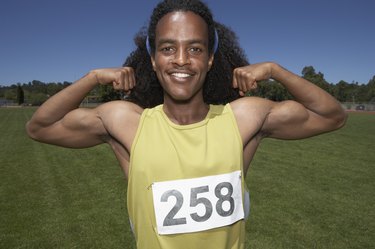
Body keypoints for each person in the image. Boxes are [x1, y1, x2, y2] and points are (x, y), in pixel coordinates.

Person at [26, 0, 347, 248]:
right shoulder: (126, 123)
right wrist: (92, 78)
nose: (181, 59)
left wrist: (276, 70)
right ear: (152, 59)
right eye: (168, 48)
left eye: (195, 48)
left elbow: (331, 116)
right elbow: (40, 126)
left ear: (210, 59)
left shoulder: (243, 117)